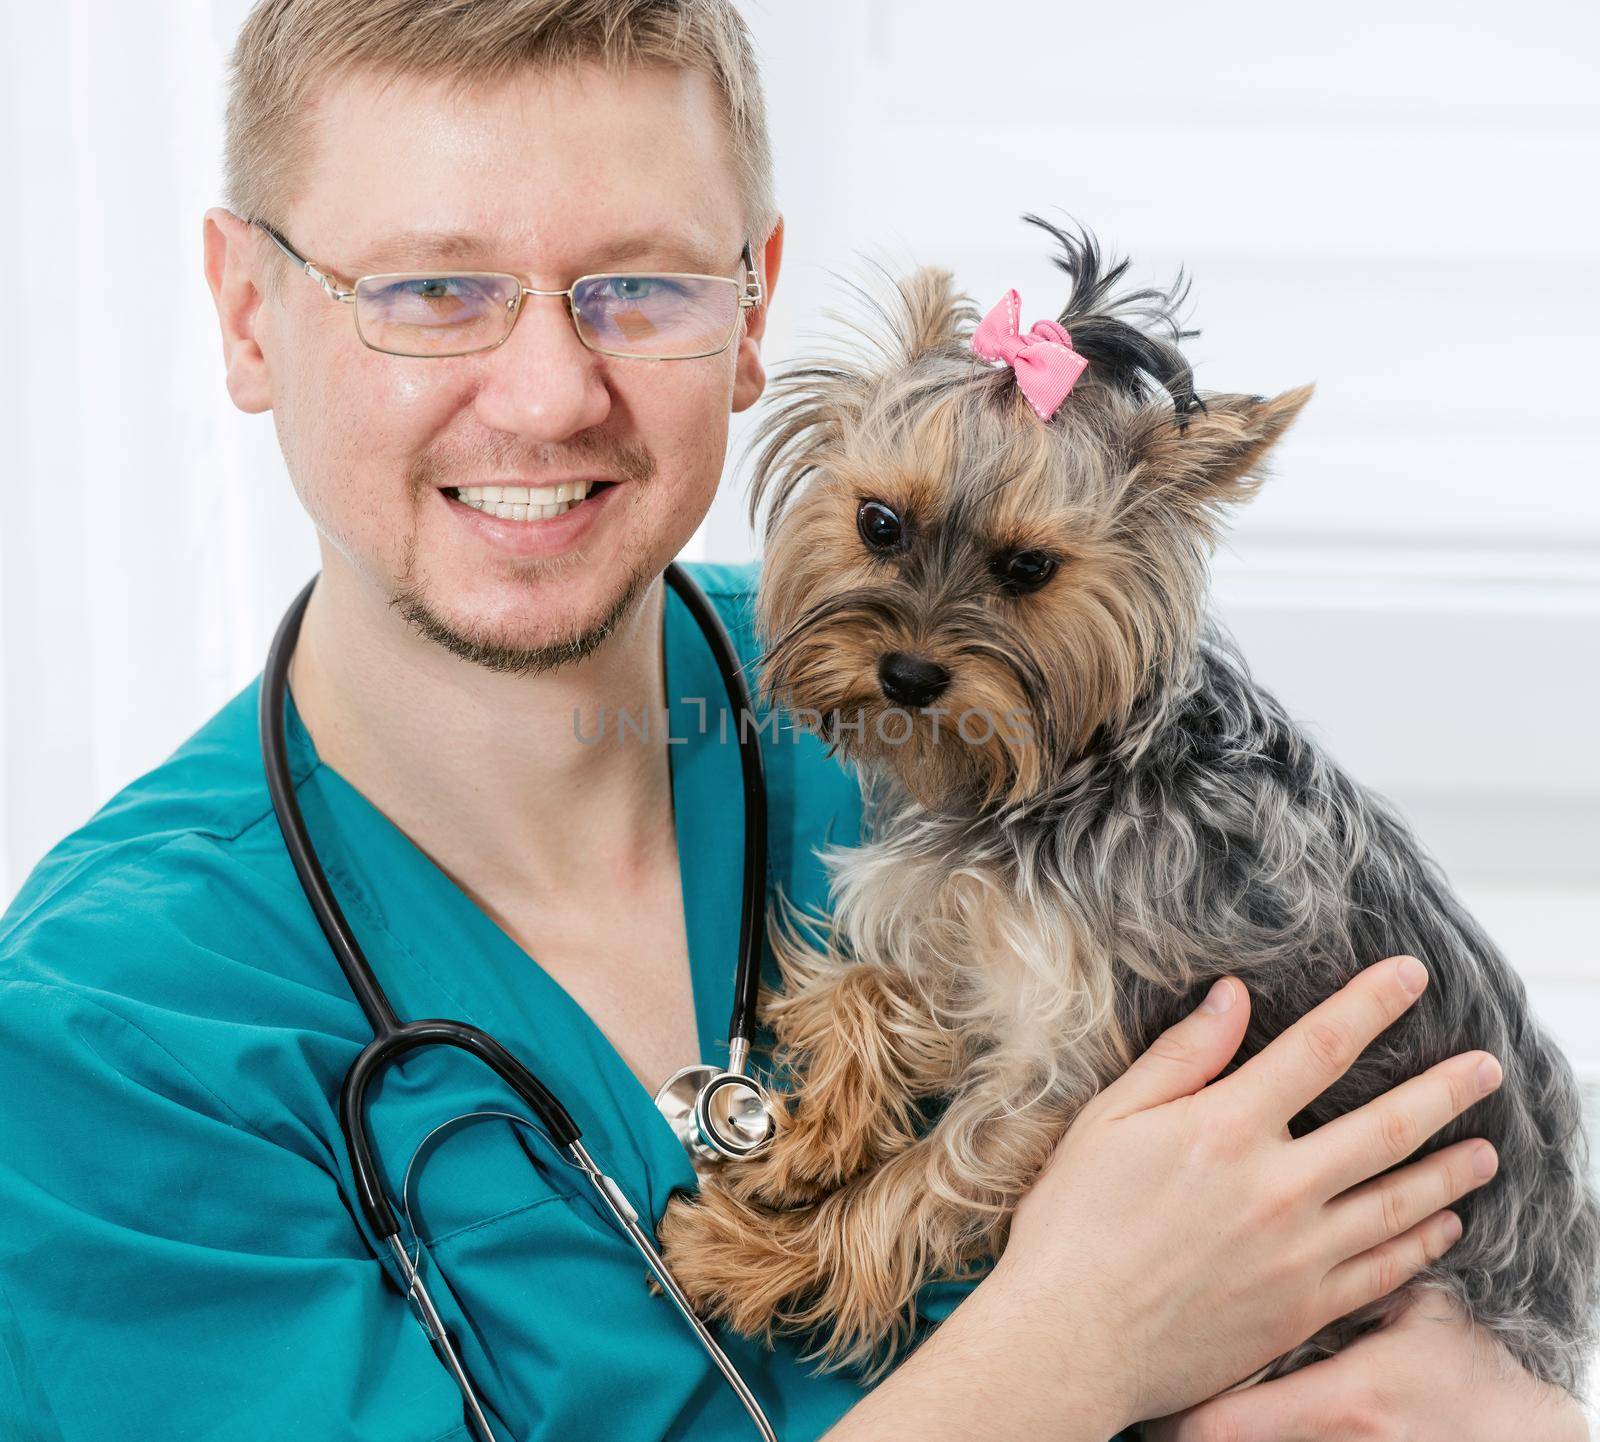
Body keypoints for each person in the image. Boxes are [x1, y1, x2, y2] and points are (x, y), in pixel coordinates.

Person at [0, 2, 1587, 1438]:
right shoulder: (108, 1043)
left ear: (754, 308)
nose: (548, 393)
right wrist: (1066, 1350)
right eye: (432, 289)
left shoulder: (980, 711)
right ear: (247, 313)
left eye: (638, 286)